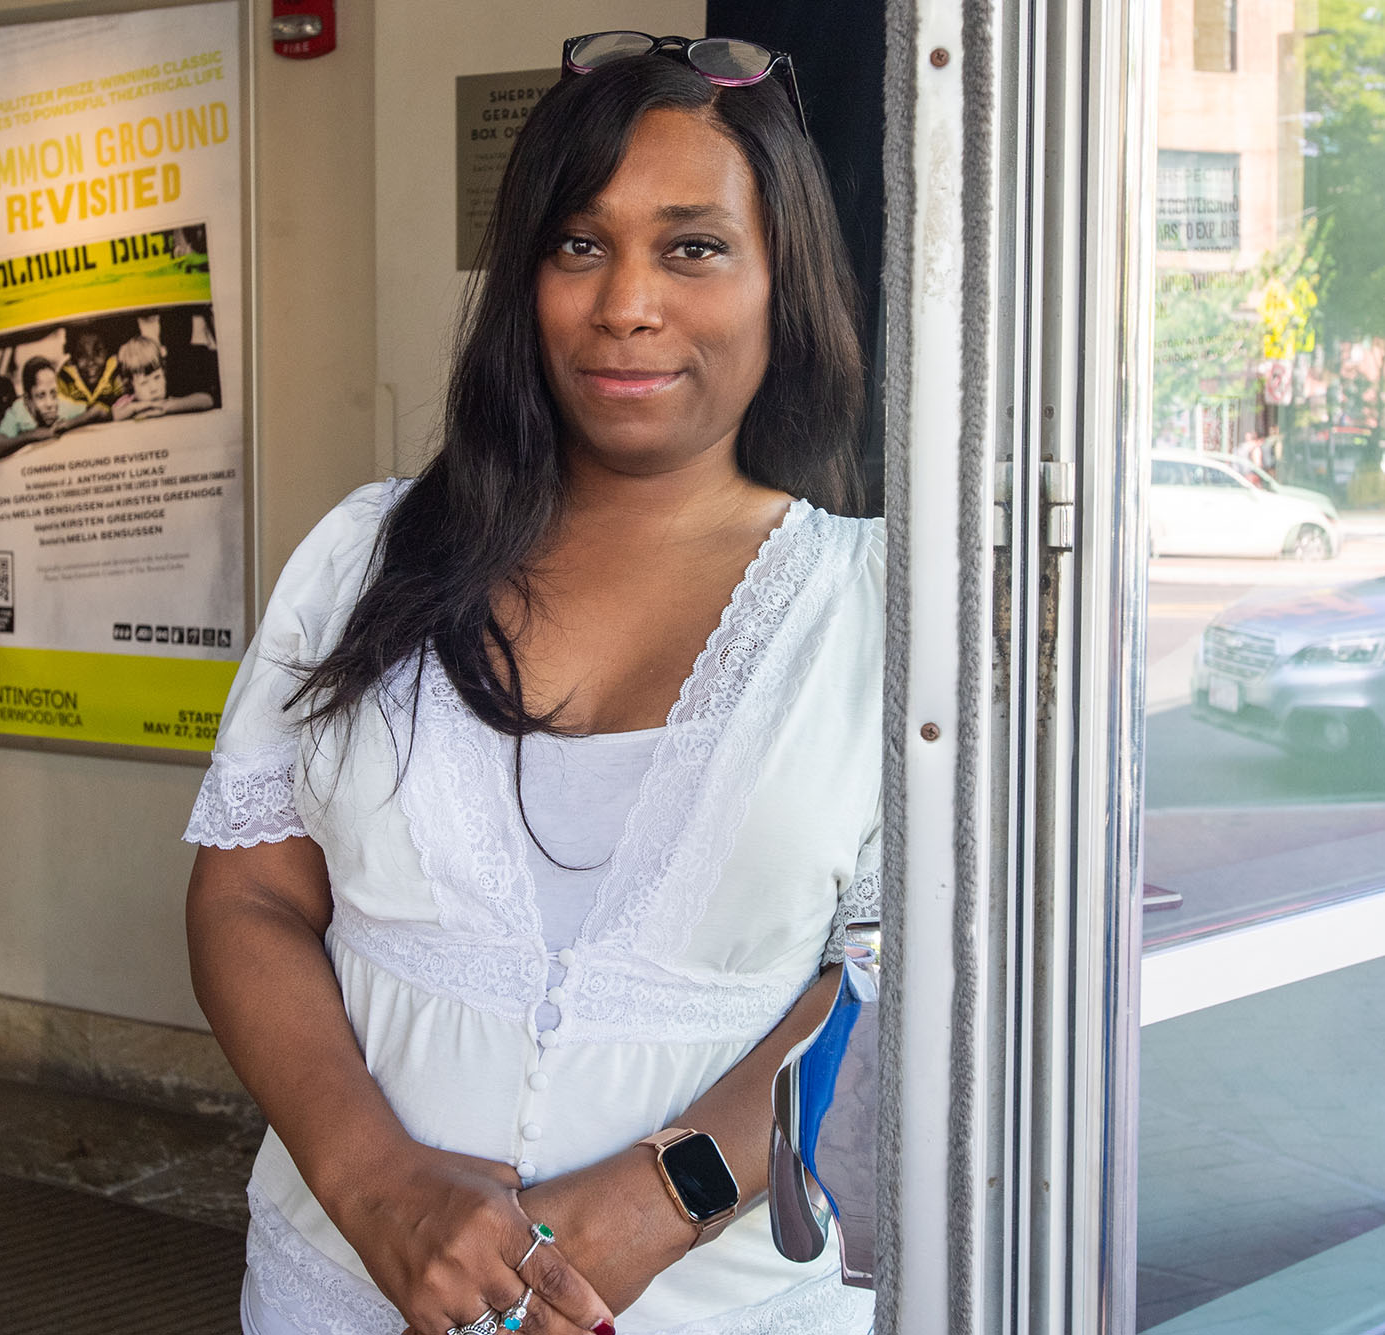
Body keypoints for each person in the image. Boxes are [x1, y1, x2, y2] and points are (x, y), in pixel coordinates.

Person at [184, 32, 880, 1335]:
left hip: (723, 1305)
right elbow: (251, 889)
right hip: (338, 1289)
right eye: (578, 244)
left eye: (693, 247)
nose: (626, 300)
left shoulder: (878, 611)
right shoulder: (367, 557)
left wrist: (655, 1199)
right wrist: (379, 1185)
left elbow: (888, 987)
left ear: (784, 279)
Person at [0, 357, 96, 460]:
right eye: (41, 395)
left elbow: (100, 410)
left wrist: (68, 424)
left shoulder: (62, 405)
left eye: (53, 393)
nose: (50, 404)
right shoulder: (18, 411)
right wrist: (34, 434)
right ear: (27, 399)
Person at [111, 334, 215, 421]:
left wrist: (166, 407)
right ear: (131, 385)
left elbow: (207, 400)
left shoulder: (171, 397)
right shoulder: (130, 401)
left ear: (164, 373)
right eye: (144, 383)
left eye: (157, 378)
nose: (153, 388)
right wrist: (142, 407)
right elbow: (116, 413)